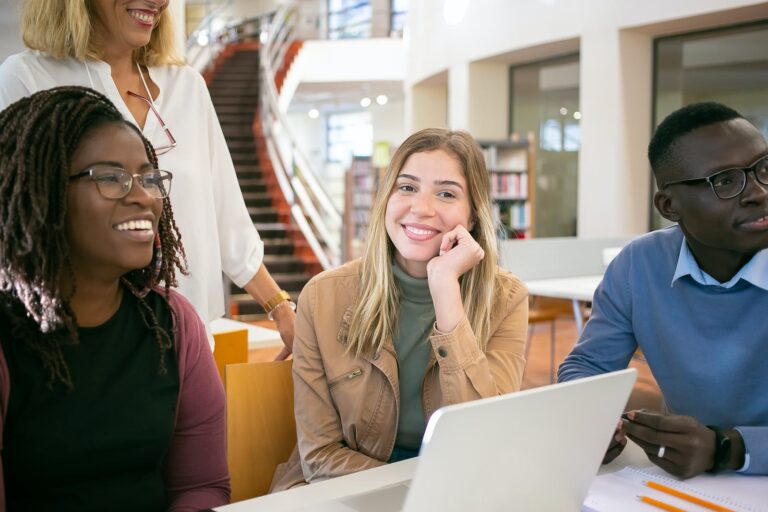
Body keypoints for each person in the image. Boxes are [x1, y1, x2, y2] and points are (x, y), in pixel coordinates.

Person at [0, 0, 296, 356]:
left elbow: (226, 217)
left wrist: (280, 308)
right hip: (76, 347)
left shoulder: (187, 87)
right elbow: (16, 228)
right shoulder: (29, 78)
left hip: (187, 345)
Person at [0, 86, 229, 511]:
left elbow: (203, 486)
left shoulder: (174, 322)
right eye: (110, 177)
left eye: (150, 177)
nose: (142, 195)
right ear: (44, 192)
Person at [270, 128, 529, 491]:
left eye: (446, 193)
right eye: (407, 187)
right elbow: (320, 455)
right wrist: (419, 488)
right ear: (385, 201)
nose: (421, 208)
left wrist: (445, 291)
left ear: (472, 216)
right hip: (346, 489)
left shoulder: (506, 298)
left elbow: (483, 438)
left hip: (456, 491)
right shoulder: (323, 296)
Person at [558, 102, 768, 478]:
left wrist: (728, 448)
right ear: (669, 205)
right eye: (725, 181)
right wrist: (591, 420)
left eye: (763, 170)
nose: (758, 192)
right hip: (689, 486)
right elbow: (588, 366)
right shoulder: (639, 265)